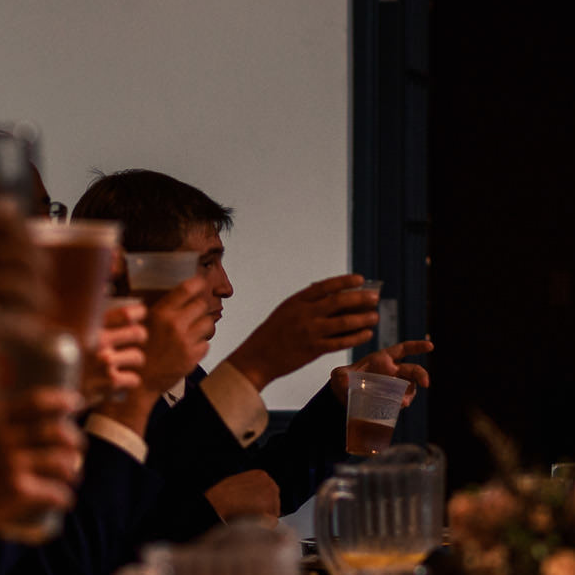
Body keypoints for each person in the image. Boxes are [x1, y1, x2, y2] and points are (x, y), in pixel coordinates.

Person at [70, 168, 431, 538]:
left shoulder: (188, 378)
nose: (226, 287)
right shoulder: (81, 390)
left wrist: (339, 407)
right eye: (206, 264)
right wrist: (259, 360)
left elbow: (260, 488)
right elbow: (106, 546)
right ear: (124, 270)